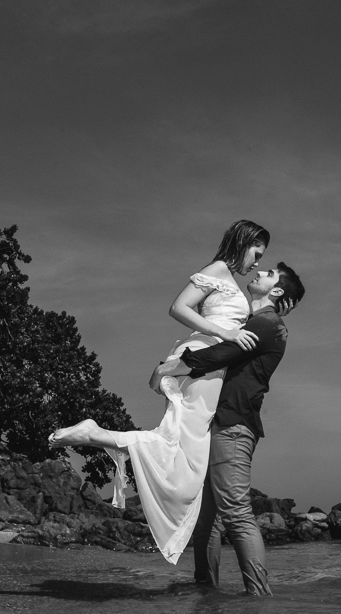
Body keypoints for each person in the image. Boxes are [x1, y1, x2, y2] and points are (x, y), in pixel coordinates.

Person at [47, 220, 273, 563]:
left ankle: (99, 435)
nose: (257, 262)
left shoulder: (228, 280)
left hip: (207, 368)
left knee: (184, 450)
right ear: (243, 242)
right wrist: (226, 335)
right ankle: (96, 433)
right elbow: (178, 308)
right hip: (201, 364)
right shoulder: (217, 270)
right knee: (181, 450)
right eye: (257, 253)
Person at [152, 262, 305, 596]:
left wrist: (171, 366)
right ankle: (206, 591)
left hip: (234, 425)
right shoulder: (255, 322)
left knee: (236, 512)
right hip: (218, 423)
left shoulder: (267, 323)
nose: (259, 271)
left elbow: (219, 355)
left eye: (268, 275)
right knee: (208, 517)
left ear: (277, 292)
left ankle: (258, 596)